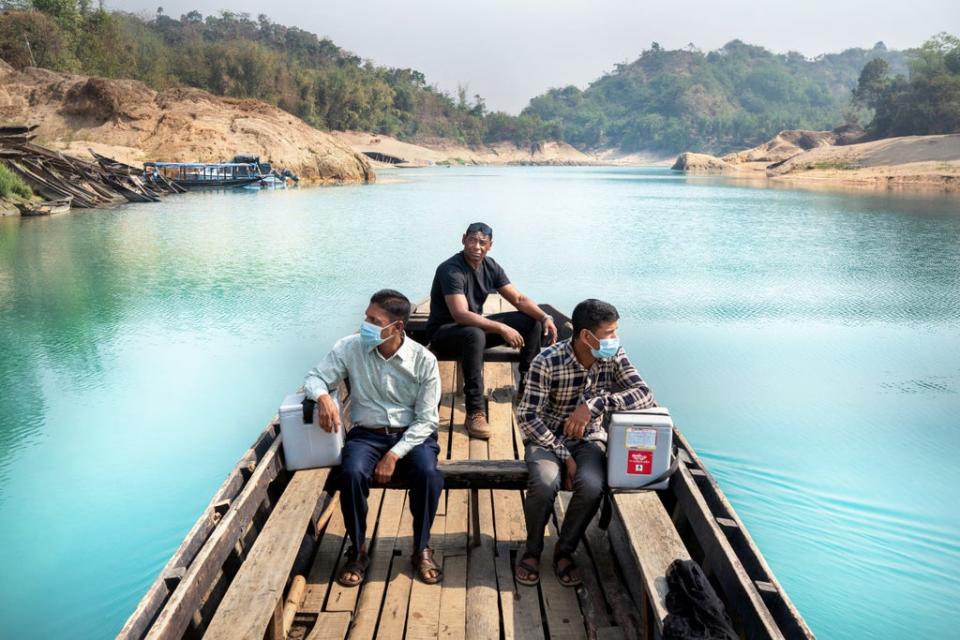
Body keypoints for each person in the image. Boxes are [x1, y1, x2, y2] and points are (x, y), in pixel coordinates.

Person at [305, 289, 444, 586]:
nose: (365, 324)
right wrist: (323, 398)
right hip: (367, 435)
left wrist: (394, 455)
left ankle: (421, 547)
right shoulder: (350, 347)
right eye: (366, 317)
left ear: (397, 327)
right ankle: (358, 549)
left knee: (429, 474)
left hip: (412, 435)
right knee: (351, 473)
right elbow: (315, 377)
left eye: (373, 320)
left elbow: (427, 420)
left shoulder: (424, 361)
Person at [514, 299, 655, 587]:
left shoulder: (613, 355)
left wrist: (596, 404)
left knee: (591, 485)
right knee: (544, 481)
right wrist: (565, 455)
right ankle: (532, 549)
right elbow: (528, 417)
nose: (614, 340)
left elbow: (644, 393)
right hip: (547, 437)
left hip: (589, 437)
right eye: (609, 334)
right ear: (586, 337)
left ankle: (564, 550)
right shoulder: (547, 361)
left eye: (616, 332)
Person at [426, 222, 559, 439]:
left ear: (490, 245)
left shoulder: (491, 266)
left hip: (471, 332)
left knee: (530, 321)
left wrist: (545, 317)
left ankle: (527, 385)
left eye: (482, 242)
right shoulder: (450, 269)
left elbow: (518, 299)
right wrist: (501, 327)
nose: (476, 246)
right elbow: (460, 314)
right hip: (444, 333)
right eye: (472, 240)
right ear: (463, 239)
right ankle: (475, 411)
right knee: (475, 333)